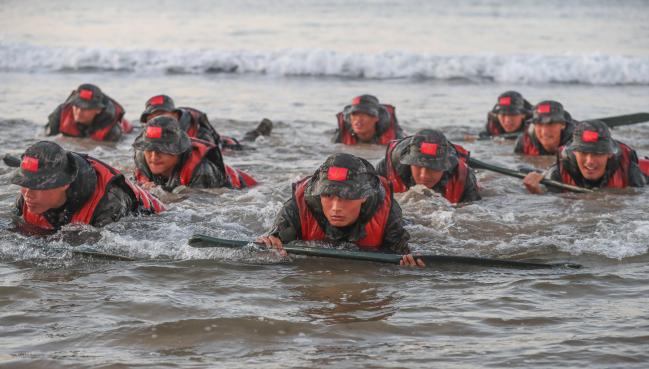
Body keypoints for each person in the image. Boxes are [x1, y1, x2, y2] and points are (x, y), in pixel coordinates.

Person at [257, 153, 424, 267]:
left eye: (346, 197)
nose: (336, 208)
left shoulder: (388, 211)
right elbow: (265, 253)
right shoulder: (296, 207)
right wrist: (267, 251)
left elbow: (401, 257)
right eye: (328, 196)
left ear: (364, 197)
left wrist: (407, 267)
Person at [12, 141, 164, 231]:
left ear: (65, 184)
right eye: (24, 184)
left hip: (154, 218)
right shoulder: (27, 197)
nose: (28, 194)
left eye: (38, 186)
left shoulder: (109, 202)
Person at [133, 116, 257, 192]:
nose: (154, 157)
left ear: (178, 150)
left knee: (245, 141)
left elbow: (199, 207)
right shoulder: (141, 161)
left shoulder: (203, 170)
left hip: (246, 188)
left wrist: (160, 193)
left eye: (162, 150)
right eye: (149, 149)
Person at [523, 120, 647, 194]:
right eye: (583, 153)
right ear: (574, 152)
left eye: (597, 153)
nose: (590, 161)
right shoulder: (557, 173)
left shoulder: (628, 169)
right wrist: (536, 191)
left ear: (609, 154)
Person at [376, 129, 481, 204]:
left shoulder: (464, 177)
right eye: (417, 166)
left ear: (444, 166)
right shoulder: (385, 169)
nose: (424, 175)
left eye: (433, 167)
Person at [139, 94, 273, 150]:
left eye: (161, 114)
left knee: (249, 143)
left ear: (175, 114)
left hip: (225, 145)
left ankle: (260, 131)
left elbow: (210, 150)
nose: (157, 121)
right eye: (151, 118)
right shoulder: (153, 132)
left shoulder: (197, 129)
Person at [45, 83, 133, 142]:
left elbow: (109, 151)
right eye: (76, 106)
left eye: (85, 108)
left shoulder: (112, 130)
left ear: (98, 110)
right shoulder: (60, 114)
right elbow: (47, 138)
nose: (78, 112)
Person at [333, 94, 405, 145]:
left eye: (364, 114)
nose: (358, 119)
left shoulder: (396, 138)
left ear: (376, 118)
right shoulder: (341, 135)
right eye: (354, 114)